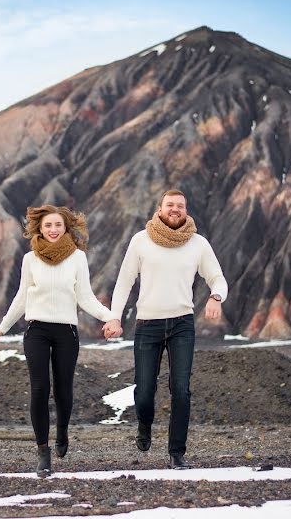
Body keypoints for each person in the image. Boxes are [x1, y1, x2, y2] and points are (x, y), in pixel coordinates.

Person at [103, 189, 227, 469]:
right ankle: (144, 425)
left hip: (182, 324)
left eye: (180, 206)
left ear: (186, 210)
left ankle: (176, 453)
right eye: (170, 205)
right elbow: (124, 282)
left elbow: (218, 279)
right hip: (148, 324)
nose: (175, 209)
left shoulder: (198, 244)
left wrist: (216, 296)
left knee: (181, 389)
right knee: (145, 391)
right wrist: (114, 318)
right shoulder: (141, 241)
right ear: (159, 210)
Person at [0, 205, 115, 478]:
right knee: (39, 388)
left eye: (58, 225)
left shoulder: (78, 258)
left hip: (66, 332)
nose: (53, 230)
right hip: (37, 331)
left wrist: (110, 317)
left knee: (63, 391)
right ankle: (43, 451)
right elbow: (21, 298)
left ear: (65, 227)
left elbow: (85, 297)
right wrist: (1, 327)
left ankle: (63, 431)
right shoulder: (30, 259)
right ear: (40, 228)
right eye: (48, 225)